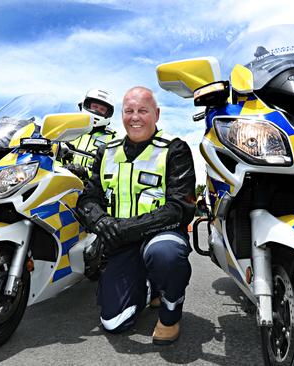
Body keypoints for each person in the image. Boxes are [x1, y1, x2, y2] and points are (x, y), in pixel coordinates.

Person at [77, 86, 196, 345]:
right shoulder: (106, 151)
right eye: (129, 111)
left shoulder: (175, 149)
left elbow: (181, 208)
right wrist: (100, 220)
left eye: (143, 110)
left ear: (156, 114)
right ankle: (148, 288)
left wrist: (126, 228)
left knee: (165, 255)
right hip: (122, 243)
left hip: (159, 236)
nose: (135, 117)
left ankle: (170, 312)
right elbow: (88, 197)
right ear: (121, 115)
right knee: (113, 322)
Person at [64, 88, 117, 180]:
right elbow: (52, 154)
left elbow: (114, 168)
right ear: (86, 105)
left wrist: (86, 172)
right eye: (95, 107)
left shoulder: (113, 138)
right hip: (60, 180)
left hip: (92, 187)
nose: (97, 111)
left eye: (102, 109)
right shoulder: (68, 129)